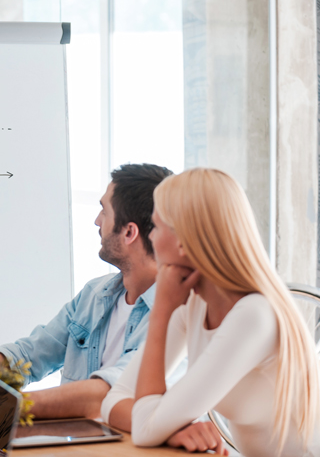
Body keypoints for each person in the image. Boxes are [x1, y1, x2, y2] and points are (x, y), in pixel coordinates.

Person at [101, 168, 320, 457]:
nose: (150, 236)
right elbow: (114, 401)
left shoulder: (254, 315)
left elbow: (144, 427)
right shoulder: (194, 303)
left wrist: (161, 312)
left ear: (183, 241)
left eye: (156, 227)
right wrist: (169, 428)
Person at [0, 163, 172, 419]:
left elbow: (106, 394)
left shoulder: (173, 313)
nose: (97, 221)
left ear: (129, 232)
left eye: (104, 211)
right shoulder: (95, 294)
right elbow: (27, 357)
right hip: (75, 436)